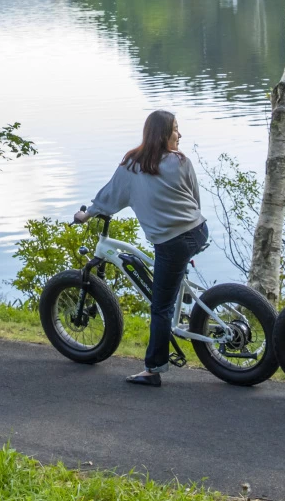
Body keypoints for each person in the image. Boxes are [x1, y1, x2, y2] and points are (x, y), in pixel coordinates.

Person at [74, 109, 207, 387]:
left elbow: (109, 197)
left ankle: (153, 369)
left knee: (160, 308)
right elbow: (195, 200)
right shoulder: (181, 162)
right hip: (197, 230)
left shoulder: (132, 166)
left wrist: (86, 215)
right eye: (175, 129)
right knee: (170, 276)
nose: (180, 134)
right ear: (162, 133)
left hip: (172, 242)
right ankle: (180, 293)